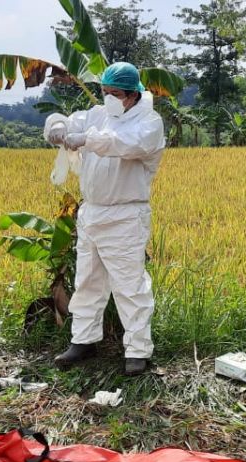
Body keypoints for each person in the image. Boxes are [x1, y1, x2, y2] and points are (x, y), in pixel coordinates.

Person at [43, 62, 165, 376]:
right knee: (87, 281)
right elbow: (63, 121)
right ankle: (83, 341)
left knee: (130, 286)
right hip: (92, 211)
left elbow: (124, 145)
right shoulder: (98, 114)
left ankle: (137, 351)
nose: (108, 97)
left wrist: (86, 139)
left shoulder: (149, 123)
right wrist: (57, 127)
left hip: (125, 214)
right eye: (104, 91)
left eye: (115, 93)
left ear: (132, 94)